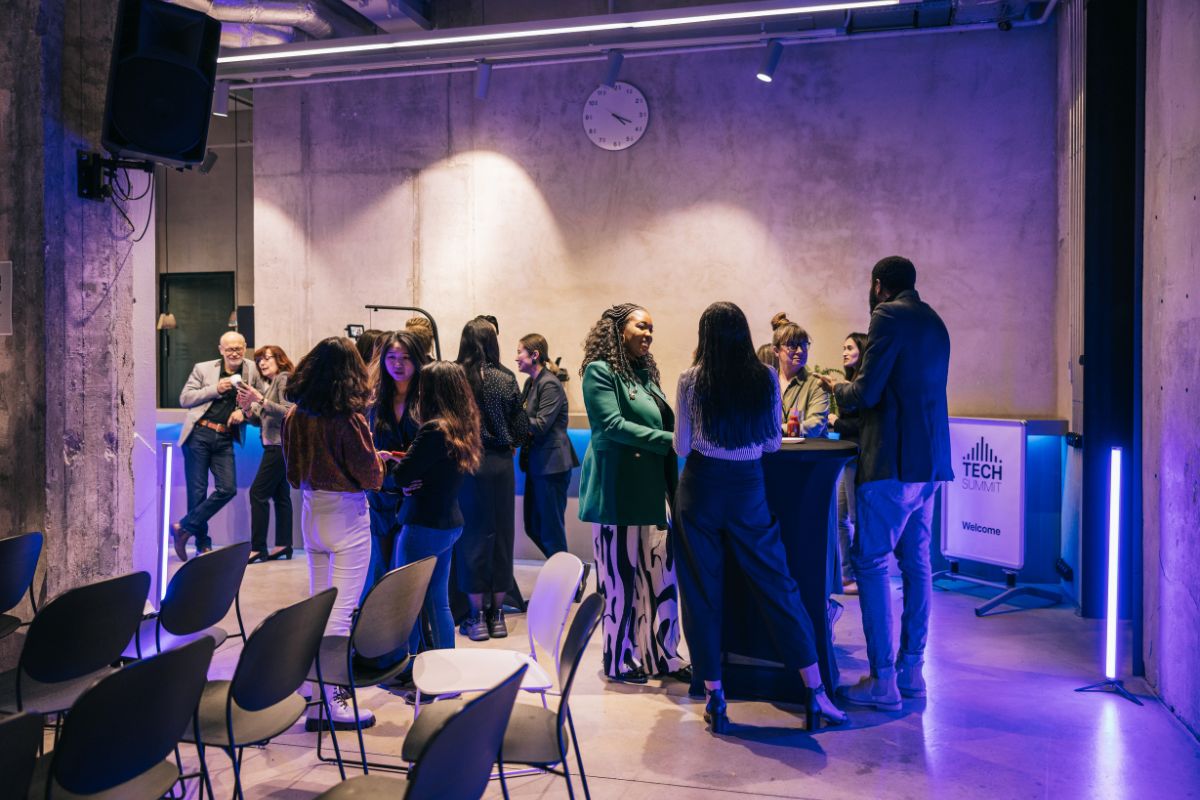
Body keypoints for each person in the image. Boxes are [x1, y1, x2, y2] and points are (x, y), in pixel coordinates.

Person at [673, 302, 847, 733]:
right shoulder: (765, 377)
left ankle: (715, 695)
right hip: (748, 490)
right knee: (779, 586)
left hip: (700, 491)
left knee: (702, 593)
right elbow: (772, 443)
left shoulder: (690, 380)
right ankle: (814, 689)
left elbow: (680, 445)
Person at [818, 256, 953, 710]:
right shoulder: (935, 321)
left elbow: (868, 392)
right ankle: (912, 672)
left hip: (892, 463)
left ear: (878, 286)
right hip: (930, 465)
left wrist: (837, 385)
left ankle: (882, 681)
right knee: (916, 565)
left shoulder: (887, 316)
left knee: (871, 562)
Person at [578, 303, 690, 684]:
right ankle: (621, 658)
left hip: (651, 491)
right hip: (619, 492)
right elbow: (610, 426)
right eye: (641, 326)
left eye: (651, 329)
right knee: (621, 581)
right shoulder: (599, 371)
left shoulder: (645, 374)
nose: (648, 334)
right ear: (617, 330)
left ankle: (663, 655)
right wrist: (672, 441)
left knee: (661, 575)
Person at [282, 337, 387, 730]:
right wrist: (380, 460)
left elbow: (292, 474)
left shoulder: (295, 415)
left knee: (319, 607)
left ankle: (314, 694)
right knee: (340, 616)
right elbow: (371, 476)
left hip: (311, 516)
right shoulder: (349, 419)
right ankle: (339, 704)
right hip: (346, 519)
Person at [387, 362, 483, 655]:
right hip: (449, 523)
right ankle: (444, 668)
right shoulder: (461, 425)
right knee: (437, 601)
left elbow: (403, 476)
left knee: (409, 600)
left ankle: (409, 665)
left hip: (423, 524)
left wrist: (393, 464)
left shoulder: (432, 429)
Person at [455, 318, 529, 640]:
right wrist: (509, 440)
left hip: (468, 464)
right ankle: (497, 616)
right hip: (501, 464)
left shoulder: (457, 378)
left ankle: (474, 617)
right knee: (501, 536)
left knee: (471, 537)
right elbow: (522, 428)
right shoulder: (506, 377)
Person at [173, 331, 262, 560]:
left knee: (227, 488)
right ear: (221, 349)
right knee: (198, 493)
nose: (234, 353)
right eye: (230, 349)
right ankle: (202, 544)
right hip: (199, 434)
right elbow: (185, 399)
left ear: (245, 348)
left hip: (224, 438)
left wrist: (244, 412)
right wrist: (216, 389)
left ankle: (183, 527)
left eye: (239, 348)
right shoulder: (203, 369)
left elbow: (260, 401)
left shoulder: (251, 370)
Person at [365, 330, 430, 602]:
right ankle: (373, 635)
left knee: (409, 572)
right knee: (380, 567)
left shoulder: (428, 398)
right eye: (391, 357)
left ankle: (410, 636)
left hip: (416, 494)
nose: (398, 364)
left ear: (417, 360)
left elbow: (437, 447)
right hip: (382, 493)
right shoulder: (375, 400)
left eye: (405, 357)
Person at [516, 334, 579, 559]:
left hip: (552, 467)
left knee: (551, 531)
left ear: (534, 355)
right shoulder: (530, 382)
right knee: (533, 527)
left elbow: (541, 425)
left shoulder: (550, 383)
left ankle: (569, 580)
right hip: (536, 465)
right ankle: (566, 570)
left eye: (519, 352)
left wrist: (512, 422)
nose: (516, 358)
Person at [237, 344, 296, 563]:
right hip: (275, 446)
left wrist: (259, 400)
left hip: (279, 446)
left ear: (280, 359)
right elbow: (262, 418)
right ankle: (284, 545)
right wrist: (247, 408)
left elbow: (289, 412)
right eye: (259, 359)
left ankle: (258, 548)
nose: (261, 362)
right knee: (281, 496)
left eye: (267, 358)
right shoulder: (271, 384)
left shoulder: (284, 378)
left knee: (257, 493)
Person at [829, 332, 868, 594]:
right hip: (846, 457)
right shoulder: (849, 382)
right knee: (840, 517)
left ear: (862, 351)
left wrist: (835, 422)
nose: (844, 352)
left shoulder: (864, 386)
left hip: (858, 457)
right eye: (843, 347)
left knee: (856, 517)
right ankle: (846, 574)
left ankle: (864, 574)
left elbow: (863, 425)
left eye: (850, 347)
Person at [771, 313, 830, 437]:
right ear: (776, 351)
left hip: (808, 453)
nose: (800, 351)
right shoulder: (768, 383)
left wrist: (778, 430)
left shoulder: (817, 383)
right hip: (776, 452)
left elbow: (815, 426)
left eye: (804, 345)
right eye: (792, 346)